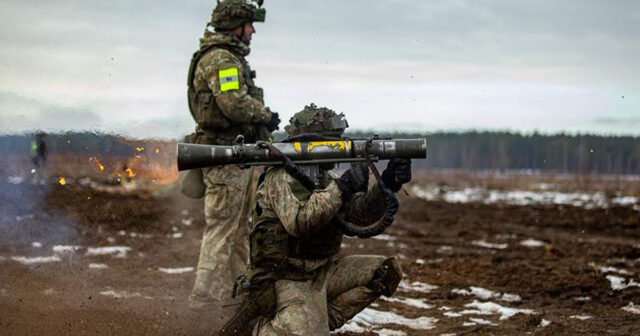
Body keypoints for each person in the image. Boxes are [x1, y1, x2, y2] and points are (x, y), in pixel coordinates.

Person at [226, 104, 412, 335]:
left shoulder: (325, 177)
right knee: (304, 329)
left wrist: (388, 184)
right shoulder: (281, 177)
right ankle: (264, 328)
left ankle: (317, 322)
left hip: (321, 271)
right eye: (332, 142)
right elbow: (300, 223)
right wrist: (341, 188)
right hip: (285, 278)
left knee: (383, 272)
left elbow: (358, 215)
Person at [186, 0, 281, 312]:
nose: (252, 31)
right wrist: (265, 115)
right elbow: (234, 105)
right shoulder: (222, 60)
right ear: (235, 25)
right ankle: (202, 305)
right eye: (249, 24)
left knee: (239, 232)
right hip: (225, 156)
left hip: (232, 156)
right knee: (222, 232)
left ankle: (245, 298)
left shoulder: (224, 57)